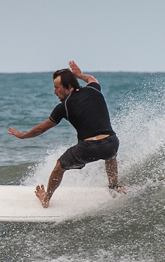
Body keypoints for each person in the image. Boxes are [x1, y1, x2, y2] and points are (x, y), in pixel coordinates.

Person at [8, 61, 122, 208]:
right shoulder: (94, 90)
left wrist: (24, 136)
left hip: (88, 148)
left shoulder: (63, 107)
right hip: (111, 143)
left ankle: (46, 199)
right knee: (110, 155)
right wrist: (80, 75)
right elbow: (92, 79)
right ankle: (114, 187)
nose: (55, 92)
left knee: (59, 166)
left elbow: (42, 128)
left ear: (68, 86)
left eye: (57, 88)